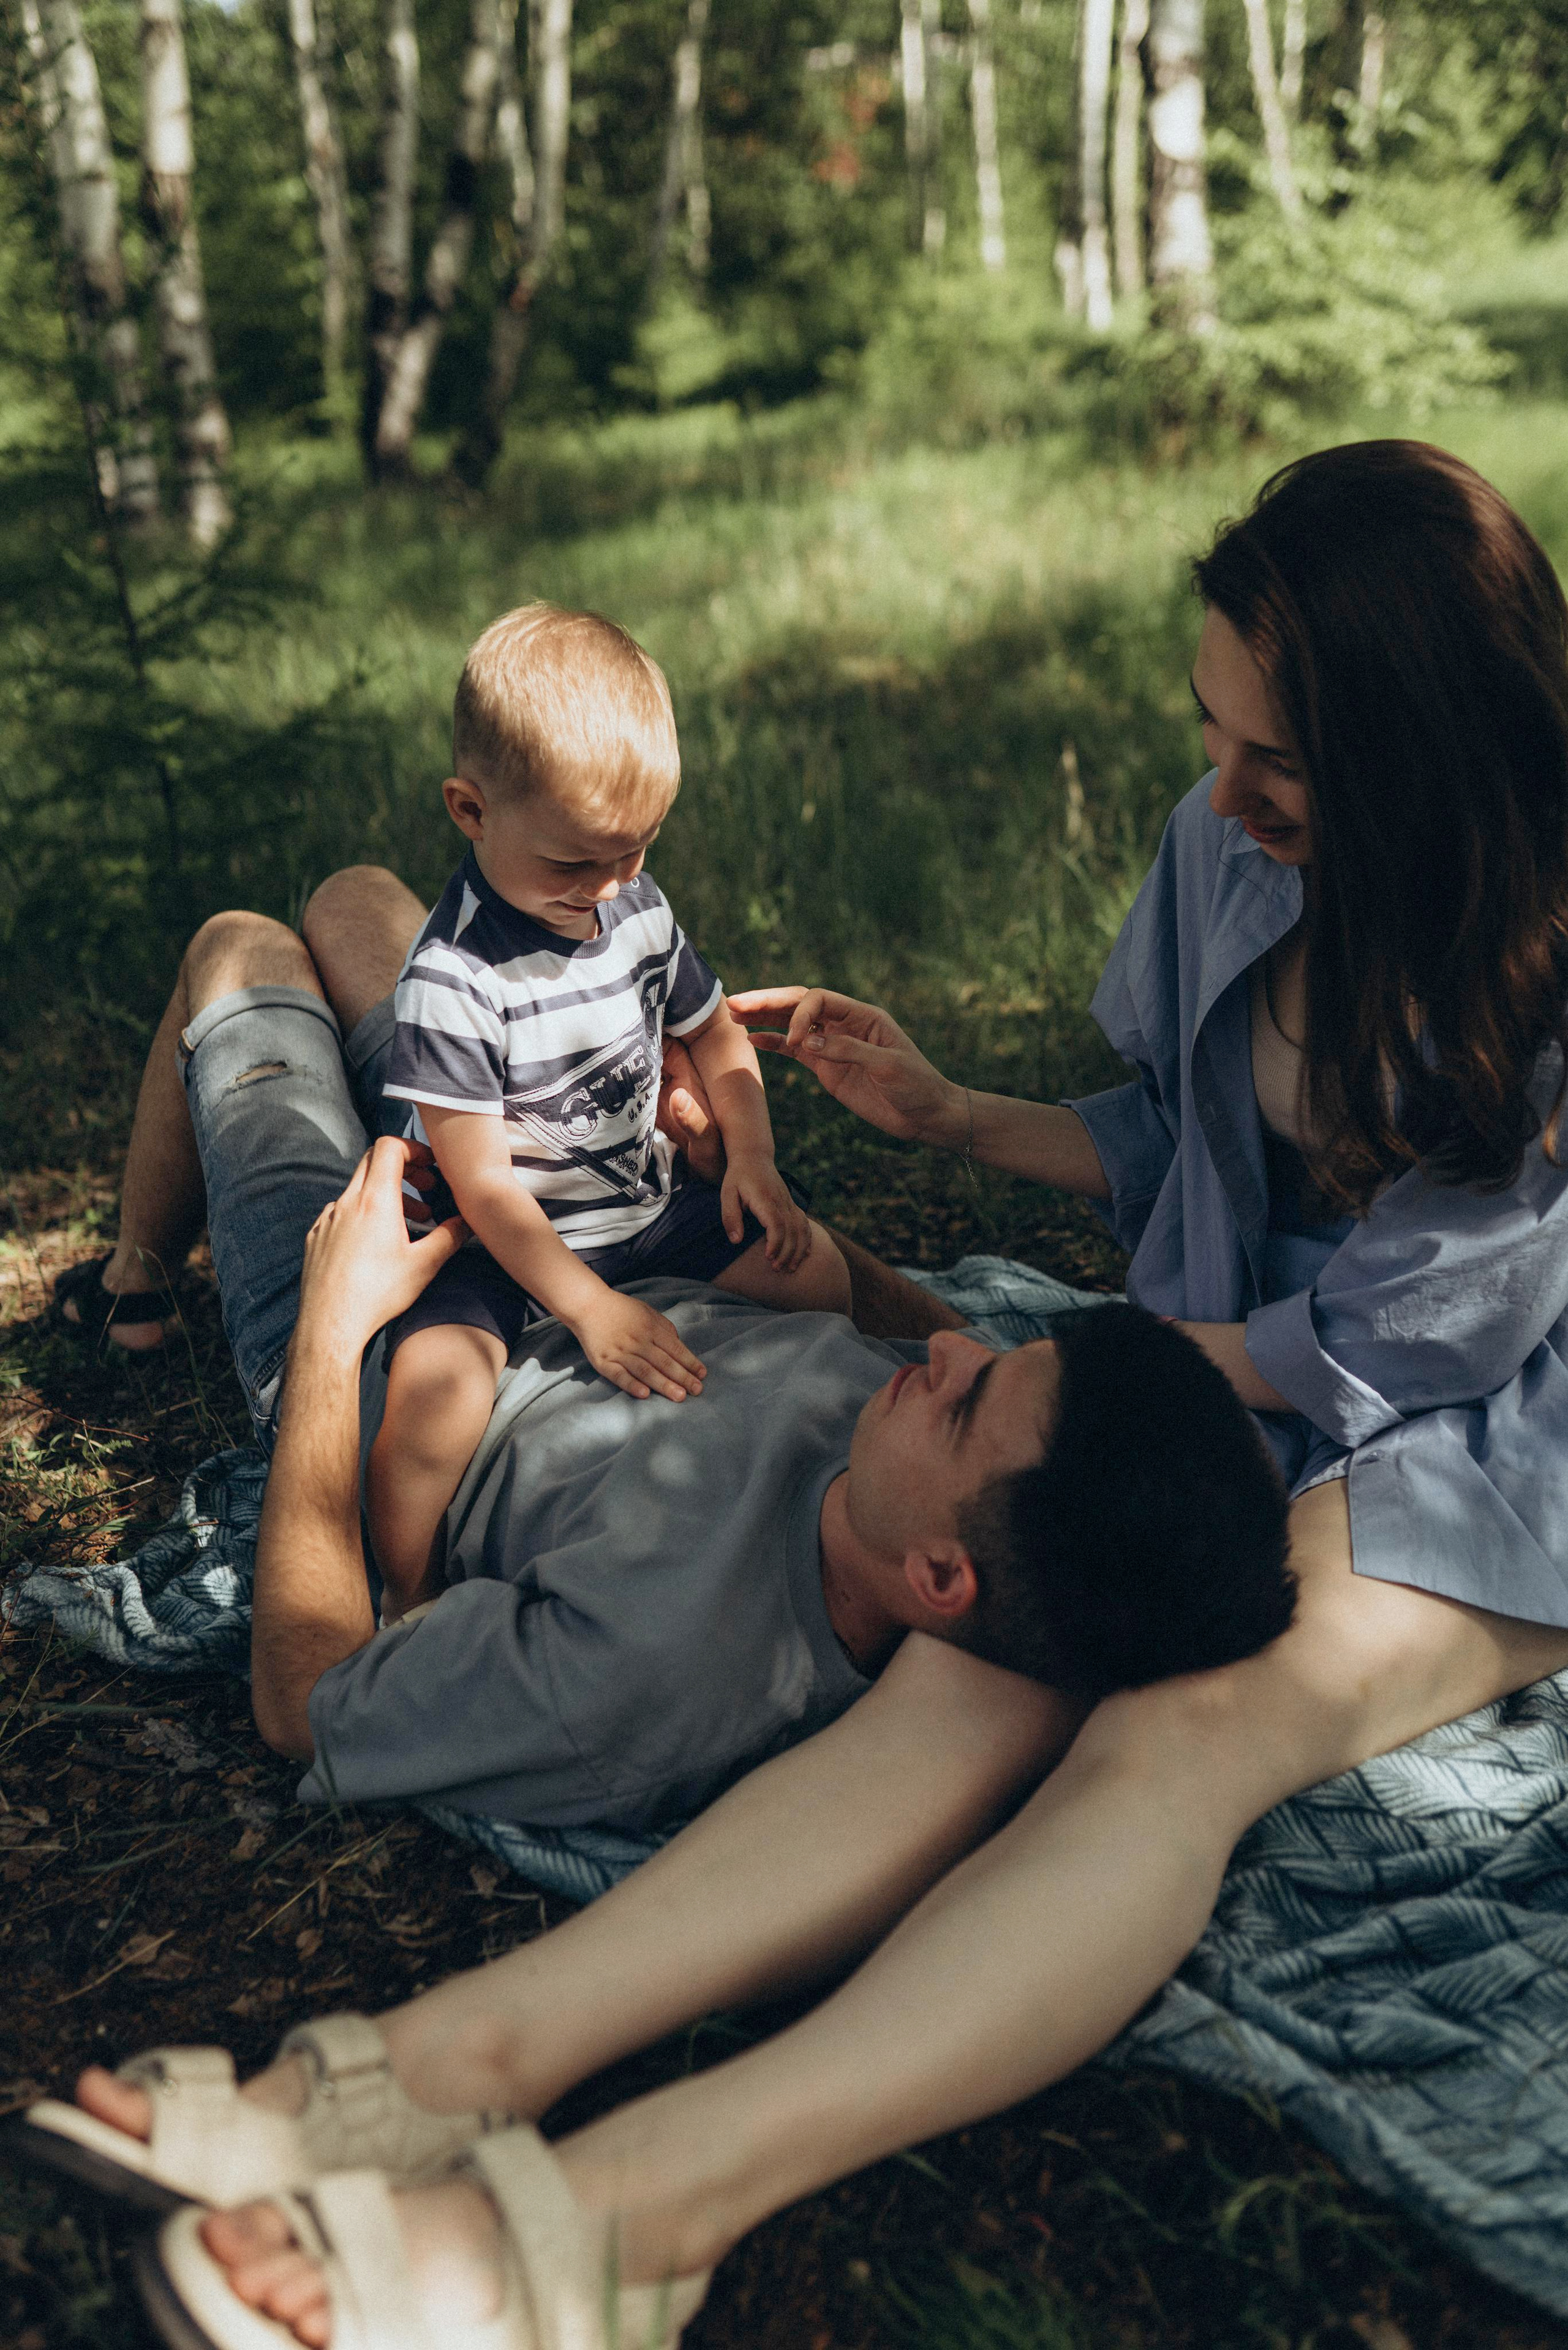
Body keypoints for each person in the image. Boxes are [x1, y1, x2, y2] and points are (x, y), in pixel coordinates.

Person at [49, 439, 1568, 2350]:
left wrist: (1093, 1363)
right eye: (1214, 731)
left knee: (1174, 1736)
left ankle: (612, 2219)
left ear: (1430, 752)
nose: (1232, 790)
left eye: (1290, 762)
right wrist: (954, 1117)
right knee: (987, 1625)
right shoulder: (1230, 840)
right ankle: (420, 2072)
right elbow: (1200, 1150)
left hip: (1497, 1413)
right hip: (1251, 1352)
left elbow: (1424, 1332)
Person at [371, 601, 849, 1614]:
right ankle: (406, 1595)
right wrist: (587, 1308)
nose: (608, 885)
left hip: (644, 1205)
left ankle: (825, 1465)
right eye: (576, 862)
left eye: (636, 849)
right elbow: (482, 1181)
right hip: (496, 1247)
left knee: (820, 1274)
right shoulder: (453, 977)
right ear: (470, 810)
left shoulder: (636, 907)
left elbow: (717, 1038)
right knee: (428, 1408)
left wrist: (753, 1160)